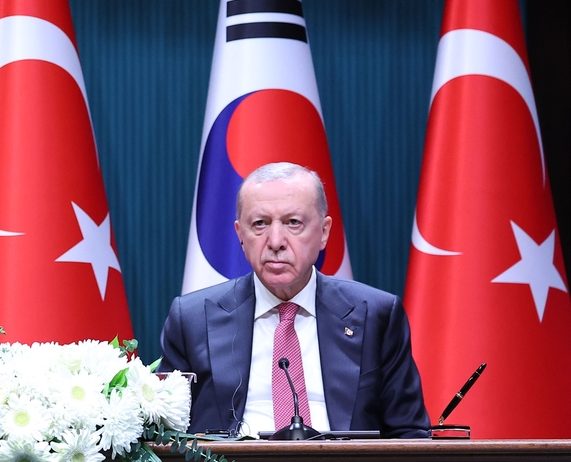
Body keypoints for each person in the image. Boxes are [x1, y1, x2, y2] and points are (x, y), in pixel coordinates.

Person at [159, 162, 430, 438]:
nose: (276, 241)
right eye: (260, 224)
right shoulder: (192, 320)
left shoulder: (375, 316)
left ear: (324, 232)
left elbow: (409, 433)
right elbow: (167, 434)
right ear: (240, 234)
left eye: (293, 223)